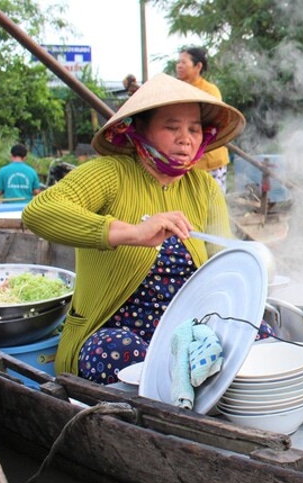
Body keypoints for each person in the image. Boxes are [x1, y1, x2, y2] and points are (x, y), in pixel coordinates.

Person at [23, 73, 273, 385]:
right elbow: (39, 212)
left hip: (185, 331)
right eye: (172, 127)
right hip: (117, 333)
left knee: (257, 330)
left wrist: (253, 271)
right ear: (139, 129)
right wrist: (132, 233)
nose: (186, 138)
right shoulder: (109, 173)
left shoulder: (203, 187)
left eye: (194, 129)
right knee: (116, 352)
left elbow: (221, 261)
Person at [175, 46, 231, 193]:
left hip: (210, 159)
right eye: (178, 62)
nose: (179, 66)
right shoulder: (176, 90)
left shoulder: (210, 91)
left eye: (183, 62)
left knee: (213, 207)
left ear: (198, 66)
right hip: (185, 159)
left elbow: (213, 120)